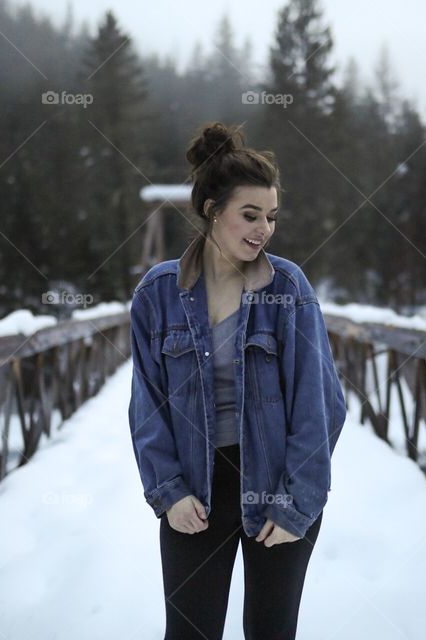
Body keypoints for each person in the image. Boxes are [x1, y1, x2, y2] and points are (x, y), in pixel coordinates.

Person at [128, 121, 347, 640]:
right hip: (195, 493)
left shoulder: (288, 287)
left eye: (271, 216)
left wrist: (297, 504)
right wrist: (168, 491)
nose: (264, 229)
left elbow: (322, 406)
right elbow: (147, 406)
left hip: (278, 485)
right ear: (212, 211)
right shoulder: (158, 293)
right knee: (189, 633)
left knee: (270, 633)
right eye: (251, 215)